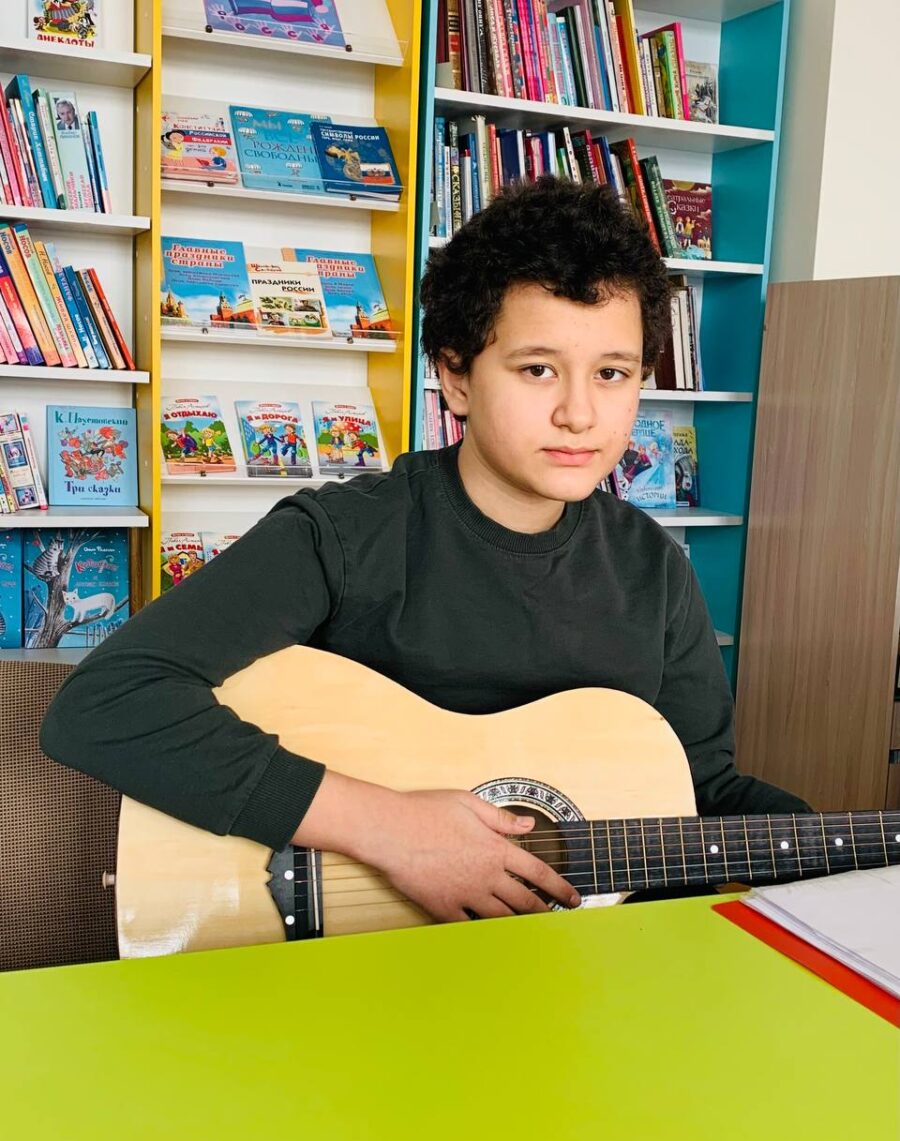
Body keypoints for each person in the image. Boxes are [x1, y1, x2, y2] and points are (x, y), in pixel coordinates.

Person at [40, 176, 809, 925]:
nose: (579, 413)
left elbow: (698, 792)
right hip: (347, 960)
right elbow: (104, 702)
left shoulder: (655, 569)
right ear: (455, 375)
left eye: (612, 373)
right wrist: (388, 828)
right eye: (538, 369)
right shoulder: (344, 535)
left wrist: (839, 851)